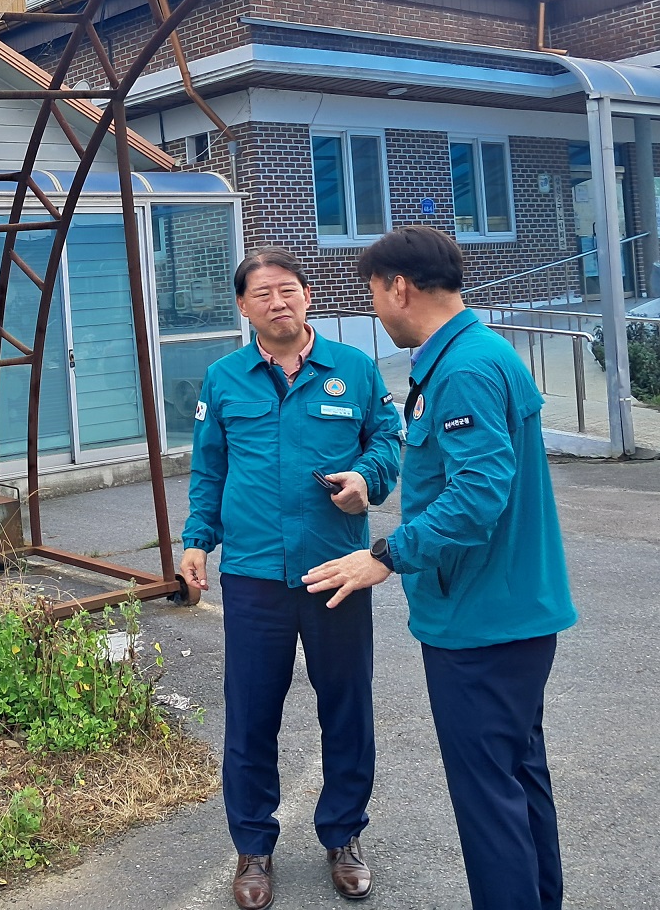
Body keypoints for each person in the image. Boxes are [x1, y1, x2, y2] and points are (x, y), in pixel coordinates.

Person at [303, 227, 578, 910]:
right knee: (515, 782)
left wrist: (385, 555)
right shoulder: (472, 355)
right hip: (501, 612)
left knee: (489, 800)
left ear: (400, 287)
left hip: (481, 621)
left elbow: (478, 494)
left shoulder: (463, 368)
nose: (375, 311)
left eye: (372, 295)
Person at [180, 248, 403, 908]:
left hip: (336, 569)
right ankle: (253, 848)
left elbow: (387, 443)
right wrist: (197, 541)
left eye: (289, 290)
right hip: (252, 575)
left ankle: (343, 837)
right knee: (250, 716)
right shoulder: (224, 380)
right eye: (263, 294)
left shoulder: (355, 371)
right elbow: (208, 470)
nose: (279, 302)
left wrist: (370, 479)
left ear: (308, 295)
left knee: (346, 706)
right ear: (244, 308)